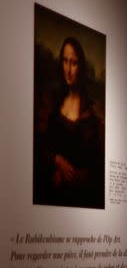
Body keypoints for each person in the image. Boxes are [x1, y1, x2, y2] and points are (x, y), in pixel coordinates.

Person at [34, 36, 104, 209]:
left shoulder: (92, 111)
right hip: (52, 197)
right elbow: (39, 146)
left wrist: (80, 176)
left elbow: (98, 163)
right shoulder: (53, 102)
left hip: (82, 199)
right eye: (65, 61)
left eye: (74, 63)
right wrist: (57, 161)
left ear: (81, 66)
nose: (68, 70)